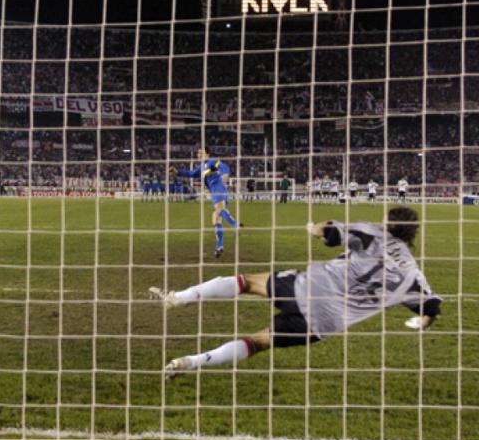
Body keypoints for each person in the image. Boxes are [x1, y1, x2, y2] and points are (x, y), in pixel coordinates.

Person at [149, 207, 443, 377]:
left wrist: (314, 228)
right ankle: (192, 362)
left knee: (247, 282)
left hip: (310, 288)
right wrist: (419, 322)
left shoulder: (376, 233)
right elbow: (430, 308)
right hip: (326, 322)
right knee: (258, 342)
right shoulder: (412, 274)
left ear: (389, 222)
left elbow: (331, 231)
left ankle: (179, 298)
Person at [176, 147, 239, 256]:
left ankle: (235, 225)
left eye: (201, 152)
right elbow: (190, 173)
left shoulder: (212, 161)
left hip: (219, 189)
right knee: (216, 219)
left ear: (208, 154)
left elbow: (223, 166)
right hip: (215, 192)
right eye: (198, 152)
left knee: (219, 211)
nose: (198, 154)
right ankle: (219, 246)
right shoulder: (201, 168)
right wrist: (177, 172)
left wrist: (224, 175)